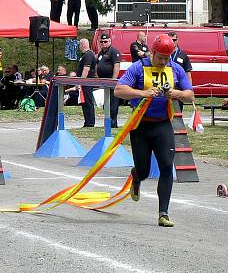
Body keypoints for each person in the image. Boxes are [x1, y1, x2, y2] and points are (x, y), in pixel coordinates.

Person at [114, 33, 194, 227]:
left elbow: (190, 95)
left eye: (167, 58)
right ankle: (136, 176)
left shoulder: (175, 69)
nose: (163, 62)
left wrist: (176, 94)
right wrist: (143, 93)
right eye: (160, 58)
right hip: (140, 125)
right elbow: (118, 90)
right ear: (152, 52)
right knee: (144, 169)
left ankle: (163, 213)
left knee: (167, 166)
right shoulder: (138, 67)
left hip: (162, 124)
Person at [96, 32, 121, 127]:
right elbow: (97, 65)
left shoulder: (114, 52)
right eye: (101, 42)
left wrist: (113, 80)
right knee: (105, 102)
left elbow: (116, 66)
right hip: (103, 82)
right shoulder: (101, 52)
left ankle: (113, 123)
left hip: (111, 81)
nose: (103, 43)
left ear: (110, 41)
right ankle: (107, 121)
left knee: (113, 103)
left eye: (105, 41)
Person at [76, 38, 97, 127]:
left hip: (87, 82)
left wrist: (80, 81)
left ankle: (90, 122)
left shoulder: (88, 55)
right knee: (85, 102)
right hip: (85, 82)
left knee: (88, 102)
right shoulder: (85, 55)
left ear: (82, 45)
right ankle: (87, 121)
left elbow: (86, 69)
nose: (79, 47)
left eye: (80, 45)